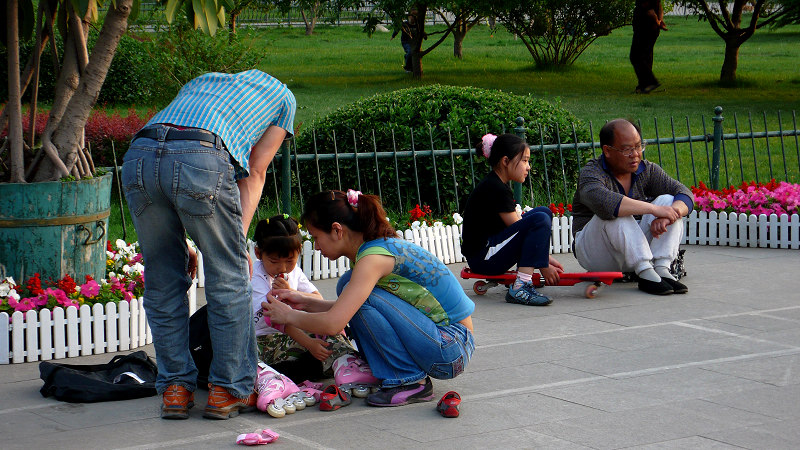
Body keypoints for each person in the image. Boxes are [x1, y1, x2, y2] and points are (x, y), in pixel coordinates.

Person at [121, 69, 296, 420]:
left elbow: (167, 153)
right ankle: (227, 390)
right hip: (201, 157)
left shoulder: (201, 81)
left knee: (163, 278)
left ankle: (174, 389)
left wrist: (184, 238)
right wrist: (236, 244)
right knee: (228, 278)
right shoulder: (283, 99)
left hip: (139, 156)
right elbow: (255, 172)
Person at [262, 189, 475, 407]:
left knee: (354, 290)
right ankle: (396, 372)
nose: (316, 247)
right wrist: (306, 302)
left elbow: (334, 323)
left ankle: (410, 381)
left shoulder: (373, 259)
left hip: (450, 348)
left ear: (337, 230)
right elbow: (357, 307)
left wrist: (288, 316)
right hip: (442, 342)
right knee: (348, 285)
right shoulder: (373, 249)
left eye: (316, 237)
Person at [571, 118, 693, 295]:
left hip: (632, 249)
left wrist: (668, 215)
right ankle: (644, 272)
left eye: (638, 146)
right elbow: (606, 203)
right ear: (607, 151)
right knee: (612, 213)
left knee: (668, 200)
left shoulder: (647, 170)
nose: (635, 154)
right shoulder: (591, 173)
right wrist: (653, 209)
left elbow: (684, 193)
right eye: (627, 149)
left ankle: (661, 268)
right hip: (596, 252)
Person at [250, 214, 358, 382]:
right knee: (304, 349)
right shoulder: (256, 276)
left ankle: (345, 362)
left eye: (289, 260)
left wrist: (291, 292)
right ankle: (325, 364)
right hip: (265, 338)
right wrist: (309, 343)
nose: (283, 267)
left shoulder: (294, 272)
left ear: (299, 251)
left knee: (332, 331)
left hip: (297, 330)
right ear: (258, 253)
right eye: (274, 261)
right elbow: (276, 320)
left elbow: (317, 299)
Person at [461, 133, 565, 306]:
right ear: (505, 161)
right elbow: (519, 229)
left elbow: (517, 229)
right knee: (539, 219)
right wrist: (544, 265)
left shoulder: (496, 184)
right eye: (524, 161)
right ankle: (521, 286)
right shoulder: (495, 188)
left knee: (543, 212)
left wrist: (544, 260)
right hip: (484, 258)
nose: (528, 167)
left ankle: (523, 276)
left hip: (489, 252)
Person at [630, 0, 667, 94]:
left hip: (645, 28)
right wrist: (660, 20)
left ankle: (650, 83)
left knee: (636, 56)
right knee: (646, 56)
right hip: (652, 28)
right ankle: (644, 86)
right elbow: (659, 7)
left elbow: (649, 10)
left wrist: (657, 21)